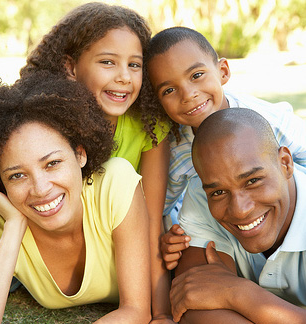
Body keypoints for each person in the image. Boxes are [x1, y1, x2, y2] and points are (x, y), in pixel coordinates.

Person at [20, 4, 172, 321]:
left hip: (125, 245)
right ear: (71, 67)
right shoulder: (45, 125)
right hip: (60, 240)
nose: (123, 77)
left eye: (135, 65)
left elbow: (152, 221)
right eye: (107, 62)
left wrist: (161, 314)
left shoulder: (149, 128)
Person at [0, 74, 151, 324]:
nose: (40, 189)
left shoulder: (114, 184)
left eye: (52, 163)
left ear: (80, 154)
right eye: (17, 175)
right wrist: (14, 225)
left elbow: (137, 310)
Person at [146, 26, 306, 268]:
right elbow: (160, 208)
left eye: (197, 75)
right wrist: (171, 237)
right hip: (224, 234)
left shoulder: (268, 121)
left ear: (223, 71)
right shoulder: (177, 152)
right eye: (169, 90)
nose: (188, 94)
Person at [170, 108, 306, 323]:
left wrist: (238, 294)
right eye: (218, 192)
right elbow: (194, 302)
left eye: (252, 181)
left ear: (285, 163)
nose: (240, 210)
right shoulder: (200, 194)